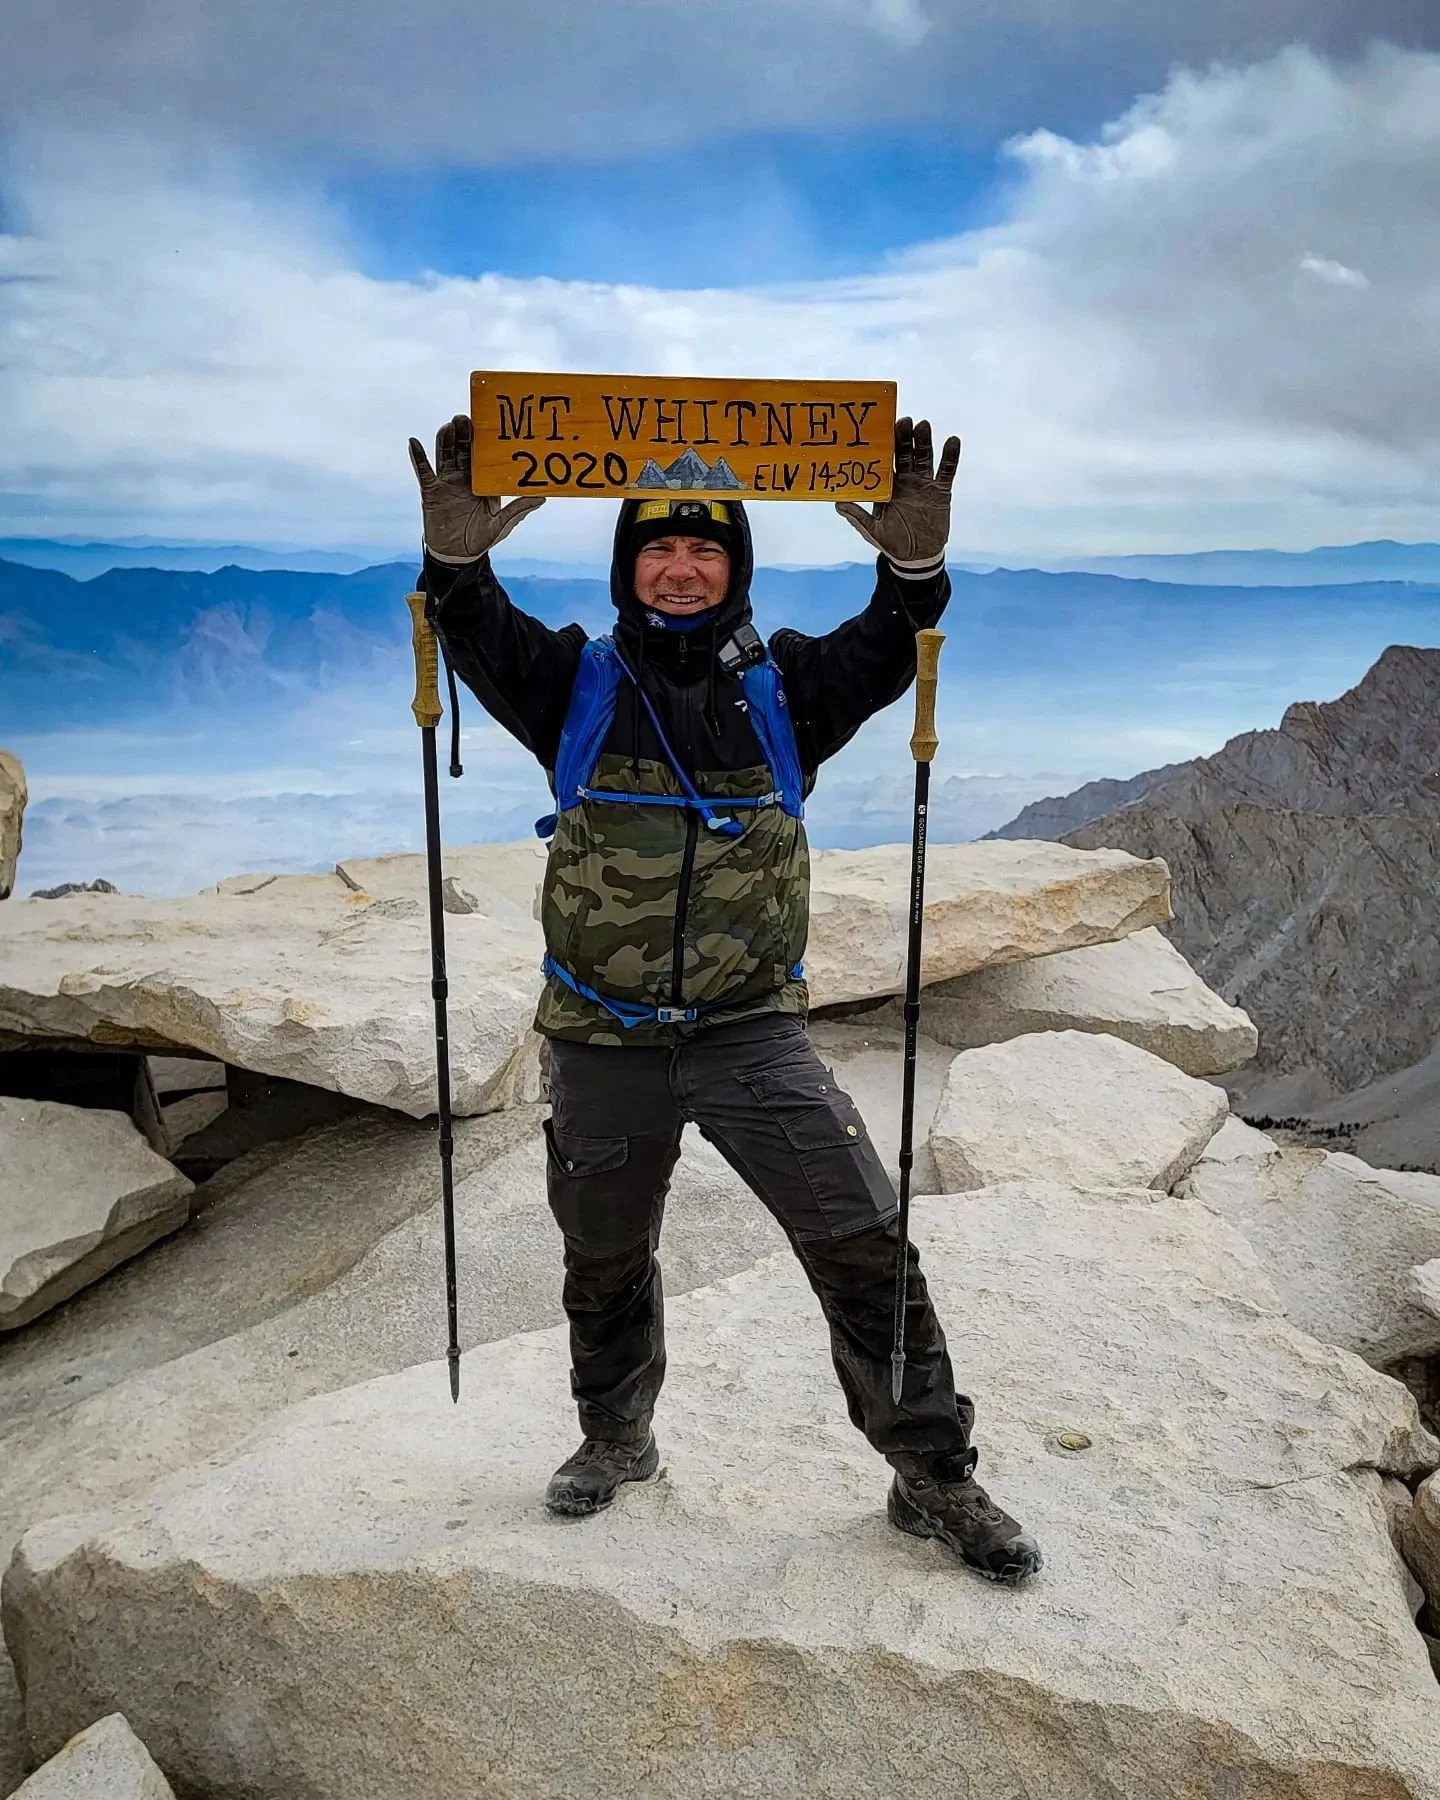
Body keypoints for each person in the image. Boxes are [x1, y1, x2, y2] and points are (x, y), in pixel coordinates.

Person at [408, 412, 1042, 1585]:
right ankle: (616, 1437)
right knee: (603, 1258)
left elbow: (891, 640)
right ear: (628, 566)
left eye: (706, 549)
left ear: (735, 565)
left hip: (752, 1033)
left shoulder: (786, 688)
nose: (683, 566)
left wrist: (911, 568)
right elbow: (476, 631)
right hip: (602, 1037)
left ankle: (933, 1475)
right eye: (659, 548)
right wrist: (455, 562)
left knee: (862, 1241)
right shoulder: (574, 687)